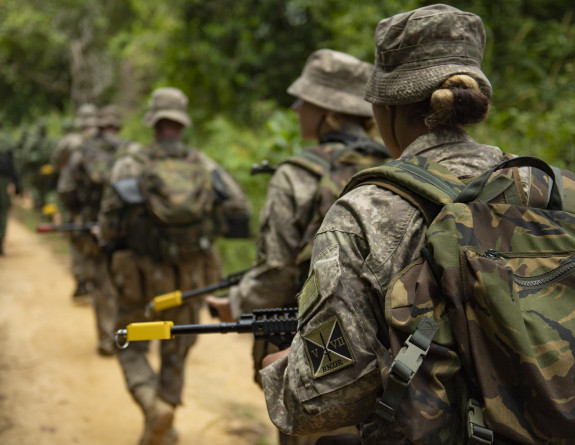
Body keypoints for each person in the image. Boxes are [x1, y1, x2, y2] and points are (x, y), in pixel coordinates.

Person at [260, 4, 519, 442]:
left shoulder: (368, 210)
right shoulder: (552, 192)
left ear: (383, 105)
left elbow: (318, 399)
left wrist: (279, 374)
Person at [207, 48, 389, 445]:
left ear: (326, 111)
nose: (295, 109)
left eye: (303, 101)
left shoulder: (296, 175)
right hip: (401, 358)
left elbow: (276, 274)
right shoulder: (400, 168)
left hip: (322, 356)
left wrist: (235, 304)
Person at [99, 87, 250, 445]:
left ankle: (152, 405)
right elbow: (239, 207)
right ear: (182, 123)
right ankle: (165, 408)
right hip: (189, 277)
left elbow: (107, 223)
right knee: (174, 346)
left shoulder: (130, 163)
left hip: (139, 276)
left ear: (153, 122)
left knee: (130, 343)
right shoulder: (202, 163)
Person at [57, 105, 126, 356]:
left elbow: (66, 189)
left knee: (101, 283)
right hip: (126, 232)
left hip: (92, 229)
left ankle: (108, 339)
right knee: (129, 283)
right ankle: (132, 336)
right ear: (118, 126)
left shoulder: (82, 153)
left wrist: (83, 212)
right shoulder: (132, 151)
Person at [54, 104, 99, 298]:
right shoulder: (103, 139)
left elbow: (56, 163)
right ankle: (96, 280)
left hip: (74, 199)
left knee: (75, 239)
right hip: (99, 203)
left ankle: (81, 281)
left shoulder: (70, 141)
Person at [0, 126, 22, 255]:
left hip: (4, 181)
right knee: (2, 212)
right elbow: (13, 167)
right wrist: (18, 186)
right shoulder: (7, 143)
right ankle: (1, 240)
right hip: (4, 182)